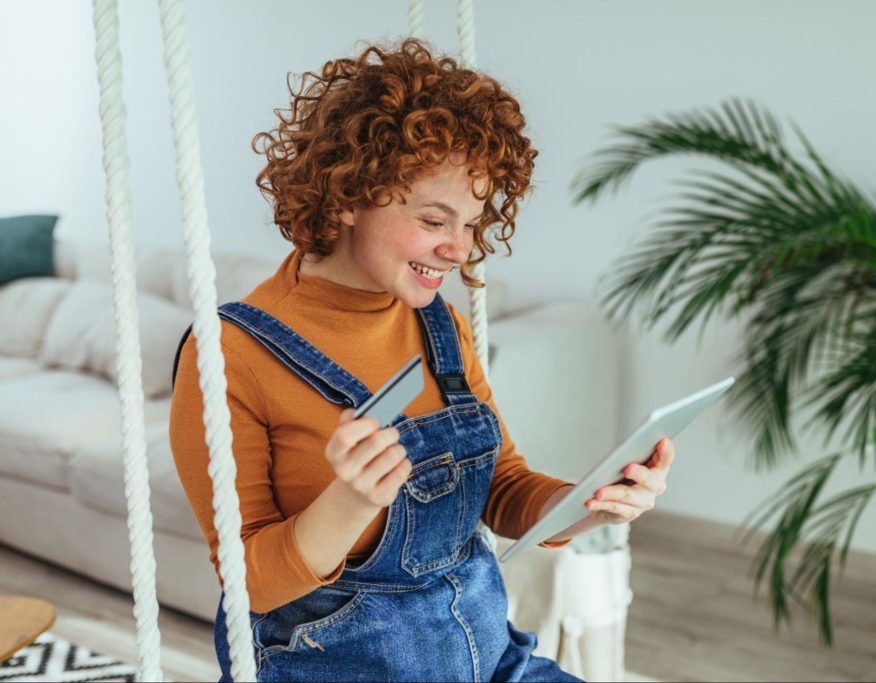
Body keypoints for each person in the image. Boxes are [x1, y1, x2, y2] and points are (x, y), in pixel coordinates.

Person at [169, 37, 675, 683]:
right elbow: (252, 586)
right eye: (436, 219)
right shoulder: (229, 355)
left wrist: (589, 503)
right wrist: (349, 500)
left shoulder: (441, 325)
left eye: (470, 224)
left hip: (492, 662)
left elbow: (504, 486)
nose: (459, 248)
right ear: (348, 195)